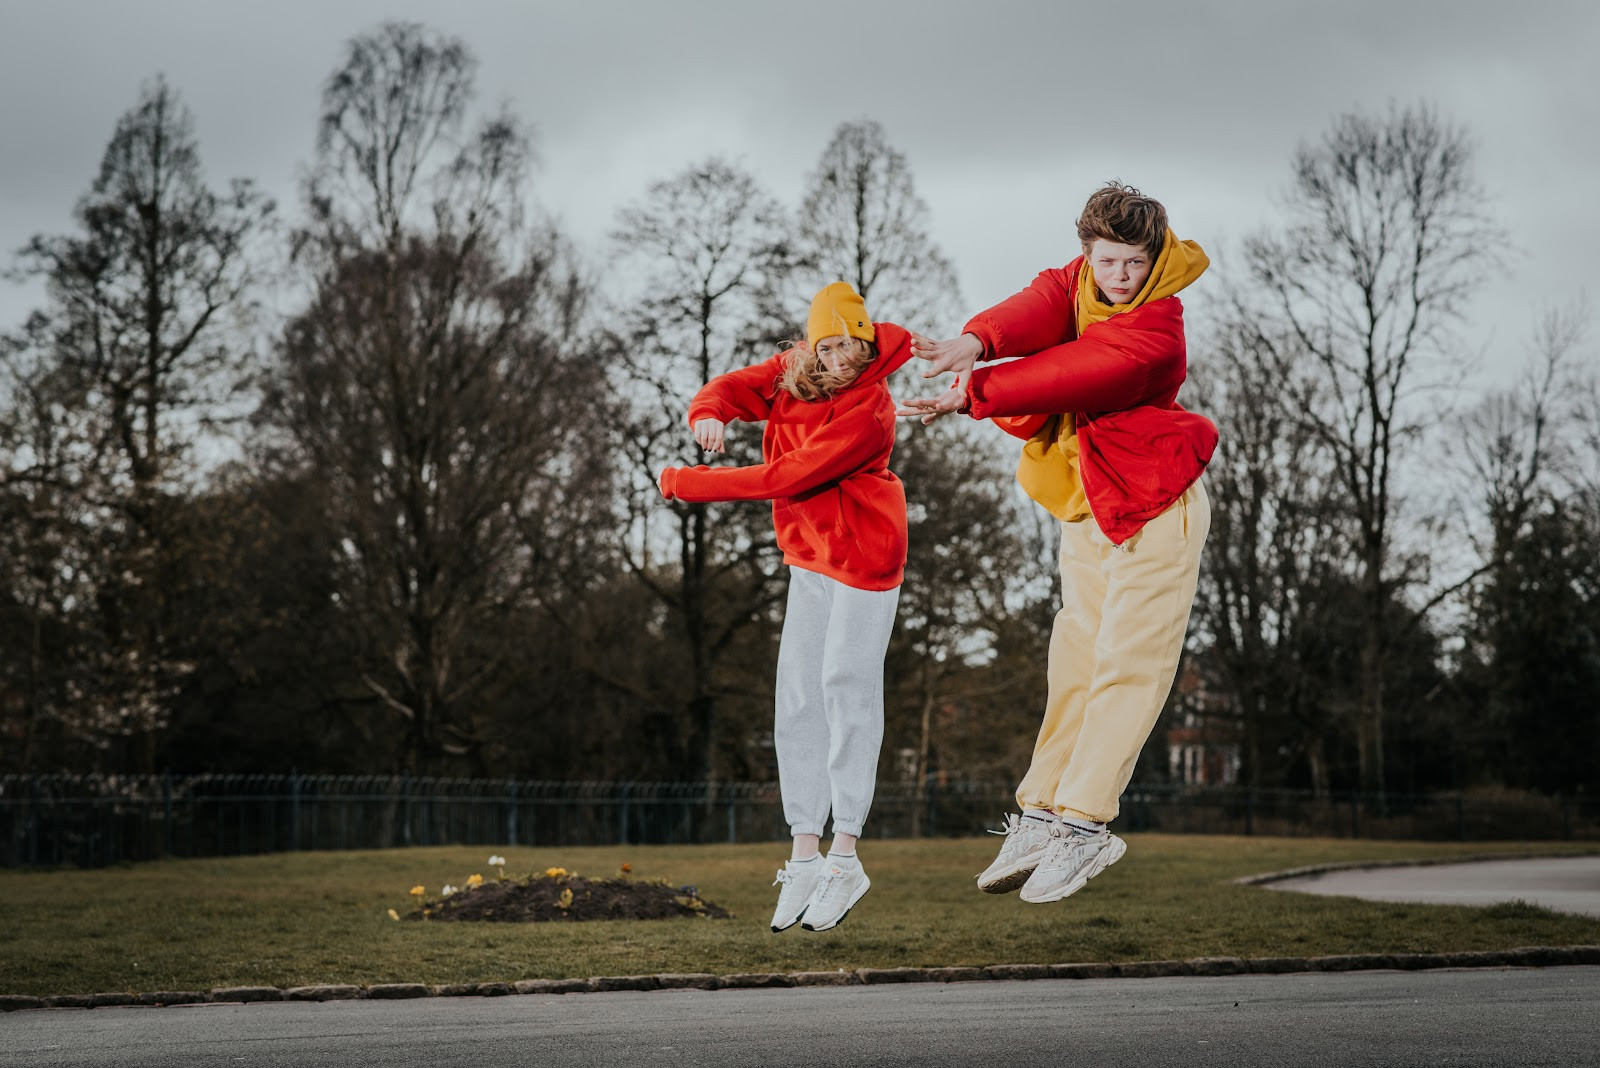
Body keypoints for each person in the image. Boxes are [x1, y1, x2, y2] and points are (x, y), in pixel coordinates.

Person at [898, 182, 1215, 904]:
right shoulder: (1081, 282)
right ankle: (1042, 812)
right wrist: (975, 341)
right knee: (1075, 662)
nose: (1121, 278)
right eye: (1108, 262)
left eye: (1135, 263)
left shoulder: (1157, 327)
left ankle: (1086, 825)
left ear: (1155, 257)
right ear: (1088, 255)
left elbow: (1078, 371)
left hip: (1155, 508)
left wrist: (976, 391)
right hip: (1090, 507)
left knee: (1127, 666)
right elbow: (1044, 301)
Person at [658, 281, 911, 932]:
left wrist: (691, 483)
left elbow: (788, 476)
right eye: (828, 347)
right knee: (797, 698)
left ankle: (845, 853)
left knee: (845, 688)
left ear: (867, 342)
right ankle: (803, 853)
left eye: (851, 347)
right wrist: (707, 412)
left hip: (865, 557)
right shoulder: (790, 374)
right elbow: (732, 387)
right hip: (809, 555)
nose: (840, 360)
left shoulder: (870, 408)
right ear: (811, 345)